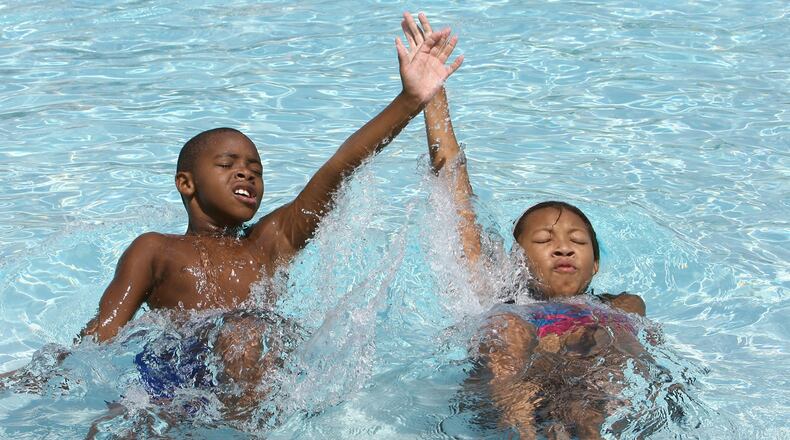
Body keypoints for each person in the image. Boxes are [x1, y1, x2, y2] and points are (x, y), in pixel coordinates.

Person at [2, 17, 463, 407]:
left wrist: (409, 102)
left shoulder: (270, 242)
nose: (245, 175)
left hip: (248, 372)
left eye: (255, 169)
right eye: (227, 165)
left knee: (250, 332)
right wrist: (43, 373)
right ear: (186, 183)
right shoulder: (155, 249)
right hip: (174, 375)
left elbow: (336, 171)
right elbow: (105, 331)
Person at [401, 12, 647, 438]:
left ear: (595, 266)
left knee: (608, 325)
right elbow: (456, 196)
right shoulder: (503, 295)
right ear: (517, 258)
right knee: (506, 327)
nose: (564, 247)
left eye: (577, 242)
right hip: (502, 401)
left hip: (587, 396)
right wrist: (433, 98)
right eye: (545, 239)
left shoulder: (615, 306)